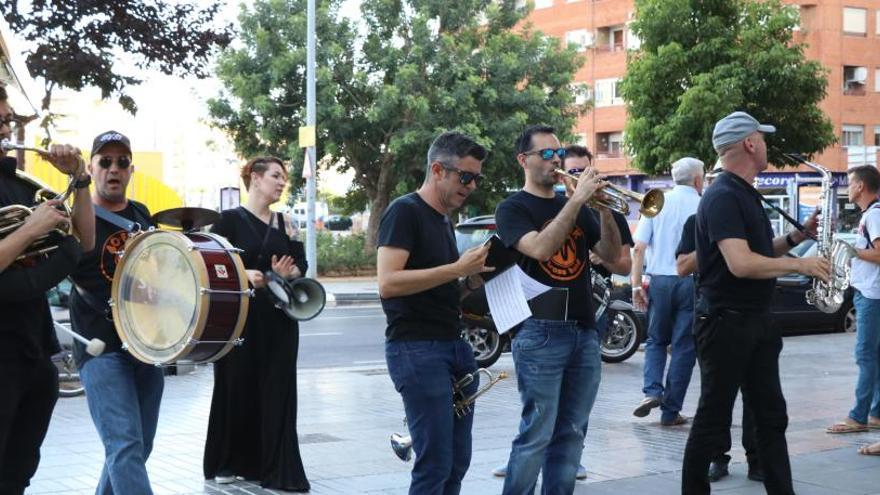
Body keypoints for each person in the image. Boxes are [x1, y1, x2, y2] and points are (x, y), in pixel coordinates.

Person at [681, 111, 830, 495]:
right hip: (725, 323)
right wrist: (802, 265)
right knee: (713, 419)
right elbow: (741, 263)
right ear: (749, 143)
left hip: (755, 321)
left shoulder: (742, 192)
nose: (766, 145)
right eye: (761, 138)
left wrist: (798, 237)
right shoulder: (722, 195)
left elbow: (759, 251)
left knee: (771, 416)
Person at [490, 143, 633, 482]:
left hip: (584, 331)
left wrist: (603, 209)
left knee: (571, 435)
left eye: (557, 154)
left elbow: (613, 255)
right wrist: (577, 200)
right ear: (523, 160)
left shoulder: (578, 204)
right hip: (540, 330)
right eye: (546, 154)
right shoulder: (513, 208)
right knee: (536, 436)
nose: (555, 161)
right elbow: (540, 248)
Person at [377, 131, 491, 495]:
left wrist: (471, 281)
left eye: (477, 178)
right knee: (435, 463)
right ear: (438, 170)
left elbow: (439, 289)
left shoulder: (443, 219)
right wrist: (457, 269)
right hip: (416, 348)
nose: (471, 186)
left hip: (452, 345)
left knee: (457, 461)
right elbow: (388, 283)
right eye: (465, 177)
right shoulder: (404, 210)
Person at [0, 85, 94, 495]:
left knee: (18, 474)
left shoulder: (19, 183)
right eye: (2, 120)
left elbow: (84, 240)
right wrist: (31, 229)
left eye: (7, 120)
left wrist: (80, 179)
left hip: (33, 349)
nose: (7, 128)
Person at [203, 156, 310, 492]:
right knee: (236, 387)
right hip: (240, 320)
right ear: (255, 178)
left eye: (284, 178)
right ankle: (230, 461)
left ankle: (275, 467)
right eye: (276, 176)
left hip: (280, 320)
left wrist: (292, 272)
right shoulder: (227, 221)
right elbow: (214, 266)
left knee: (278, 390)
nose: (281, 183)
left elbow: (300, 266)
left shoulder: (286, 222)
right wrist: (245, 275)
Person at [69, 131, 162, 495]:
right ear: (91, 167)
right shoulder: (78, 212)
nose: (113, 169)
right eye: (104, 161)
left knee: (137, 448)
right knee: (124, 446)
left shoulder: (141, 214)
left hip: (144, 344)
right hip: (101, 346)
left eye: (122, 162)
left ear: (131, 169)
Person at [675, 163, 763, 483]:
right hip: (713, 315)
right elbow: (683, 266)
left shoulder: (747, 217)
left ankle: (757, 460)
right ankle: (718, 457)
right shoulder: (694, 221)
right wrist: (716, 239)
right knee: (716, 395)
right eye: (712, 180)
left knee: (755, 393)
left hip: (748, 314)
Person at [630, 158, 704, 426]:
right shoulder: (703, 204)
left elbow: (638, 248)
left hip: (659, 280)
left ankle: (651, 391)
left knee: (655, 340)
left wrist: (636, 285)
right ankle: (671, 412)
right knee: (684, 346)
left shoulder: (655, 200)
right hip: (691, 281)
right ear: (698, 180)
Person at [826, 165, 880, 434]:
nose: (847, 188)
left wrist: (853, 251)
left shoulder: (874, 216)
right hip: (870, 293)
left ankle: (858, 416)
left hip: (872, 294)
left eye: (850, 183)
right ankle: (876, 413)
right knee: (875, 356)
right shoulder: (871, 215)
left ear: (860, 186)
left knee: (865, 355)